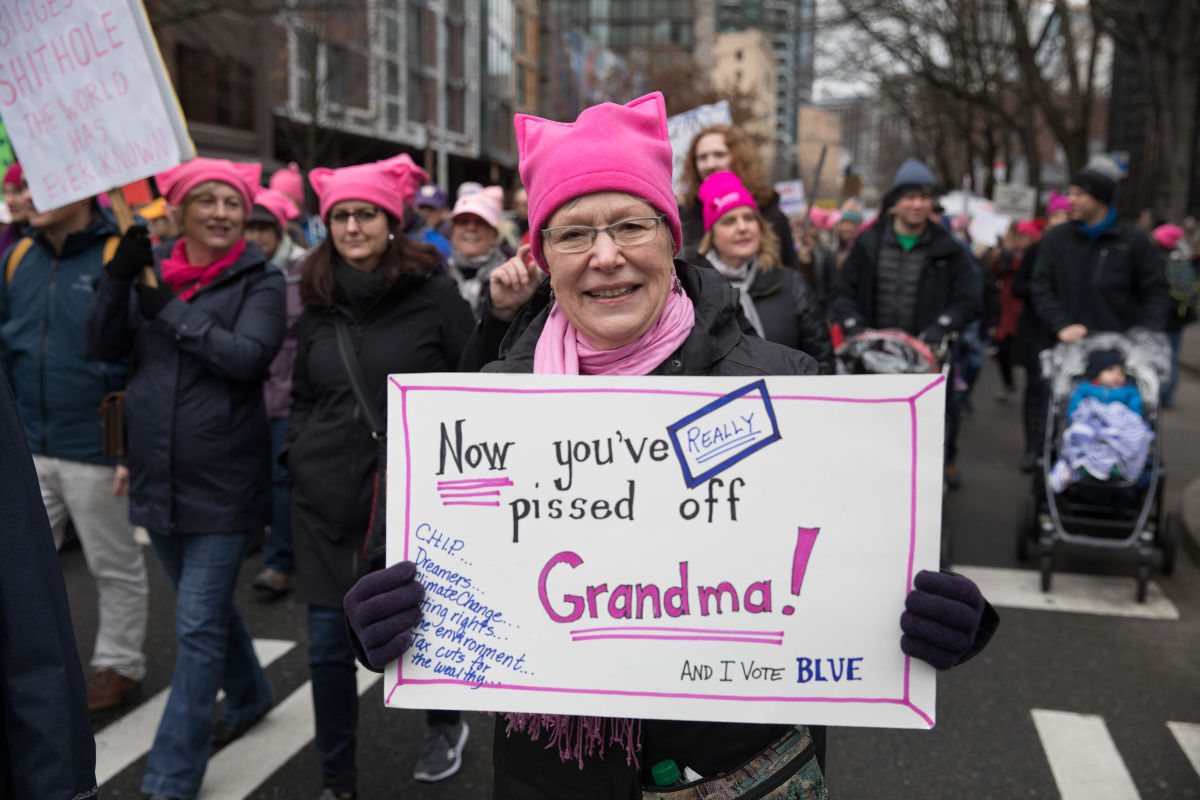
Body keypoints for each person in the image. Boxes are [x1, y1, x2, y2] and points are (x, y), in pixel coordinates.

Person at [342, 92, 998, 799]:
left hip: (739, 772)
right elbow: (398, 567)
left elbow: (898, 562)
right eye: (572, 235)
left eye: (630, 225)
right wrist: (378, 619)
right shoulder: (490, 406)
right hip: (552, 778)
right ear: (541, 258)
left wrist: (951, 619)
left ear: (670, 237)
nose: (605, 257)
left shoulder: (785, 388)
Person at [87, 158, 284, 800]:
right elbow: (102, 347)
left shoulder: (262, 279)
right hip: (155, 476)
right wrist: (117, 282)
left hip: (224, 482)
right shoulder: (150, 270)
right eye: (207, 201)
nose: (223, 213)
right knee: (209, 612)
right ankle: (250, 690)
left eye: (233, 202)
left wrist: (170, 311)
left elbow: (249, 359)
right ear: (178, 210)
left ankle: (172, 775)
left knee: (196, 623)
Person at [284, 153, 475, 798]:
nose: (353, 226)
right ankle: (338, 779)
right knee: (326, 651)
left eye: (365, 213)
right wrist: (298, 453)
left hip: (409, 500)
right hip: (325, 502)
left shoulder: (435, 294)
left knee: (416, 628)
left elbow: (473, 382)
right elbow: (304, 392)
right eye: (340, 215)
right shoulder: (317, 298)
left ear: (391, 222)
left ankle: (445, 724)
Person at [0, 192, 150, 712]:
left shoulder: (119, 253)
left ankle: (120, 665)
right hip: (25, 443)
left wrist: (130, 447)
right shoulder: (17, 255)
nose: (24, 198)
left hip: (97, 444)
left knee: (113, 564)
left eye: (39, 186)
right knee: (17, 565)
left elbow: (143, 356)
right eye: (20, 188)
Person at [828, 158, 981, 486]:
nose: (917, 204)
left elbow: (969, 298)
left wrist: (941, 326)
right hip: (872, 358)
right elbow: (841, 291)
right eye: (910, 196)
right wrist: (854, 326)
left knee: (929, 427)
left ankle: (933, 475)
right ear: (895, 201)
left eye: (925, 198)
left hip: (927, 360)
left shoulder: (950, 250)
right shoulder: (867, 244)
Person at [0, 372, 98, 800]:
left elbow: (30, 618)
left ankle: (122, 663)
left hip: (88, 447)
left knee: (118, 571)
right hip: (45, 440)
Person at [685, 171, 834, 372]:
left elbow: (822, 361)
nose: (742, 227)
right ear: (711, 235)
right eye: (729, 221)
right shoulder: (694, 290)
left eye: (749, 218)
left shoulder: (791, 284)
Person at [245, 187, 310, 600]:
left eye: (262, 227)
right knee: (253, 476)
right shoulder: (238, 269)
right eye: (248, 227)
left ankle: (280, 560)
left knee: (283, 477)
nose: (255, 236)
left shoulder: (303, 270)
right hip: (246, 397)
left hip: (288, 395)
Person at [678, 124, 800, 271]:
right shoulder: (684, 217)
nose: (710, 164)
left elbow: (789, 273)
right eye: (702, 157)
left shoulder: (771, 215)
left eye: (719, 155)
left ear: (740, 159)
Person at [1011, 193, 1071, 471]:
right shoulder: (1036, 251)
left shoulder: (1076, 253)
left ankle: (1059, 446)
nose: (1061, 222)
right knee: (1036, 391)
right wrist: (1042, 294)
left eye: (1066, 216)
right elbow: (1018, 287)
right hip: (1037, 333)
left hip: (1067, 337)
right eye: (1057, 216)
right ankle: (1032, 447)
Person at [1049, 349, 1153, 493]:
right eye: (1110, 370)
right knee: (1078, 434)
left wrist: (1116, 420)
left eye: (1121, 372)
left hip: (1117, 435)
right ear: (1096, 374)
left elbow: (1134, 417)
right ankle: (1078, 468)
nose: (1117, 375)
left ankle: (1114, 468)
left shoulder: (1130, 392)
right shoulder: (1085, 388)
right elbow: (1075, 411)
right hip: (1090, 431)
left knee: (1135, 439)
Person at [445, 186, 509, 318]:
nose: (471, 228)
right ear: (452, 232)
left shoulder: (510, 277)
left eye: (480, 222)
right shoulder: (438, 272)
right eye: (463, 222)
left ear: (495, 234)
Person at [1153, 223, 1196, 408]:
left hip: (1161, 317)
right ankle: (1168, 395)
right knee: (1172, 355)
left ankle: (1156, 392)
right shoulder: (1181, 261)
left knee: (1157, 355)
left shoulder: (1157, 261)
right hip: (1178, 318)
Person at [271, 161, 327, 247]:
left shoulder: (318, 229)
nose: (282, 205)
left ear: (299, 200)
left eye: (287, 198)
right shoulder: (271, 230)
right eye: (276, 200)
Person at [0, 163, 30, 256]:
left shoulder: (50, 239)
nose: (9, 201)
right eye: (6, 192)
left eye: (17, 191)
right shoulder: (5, 239)